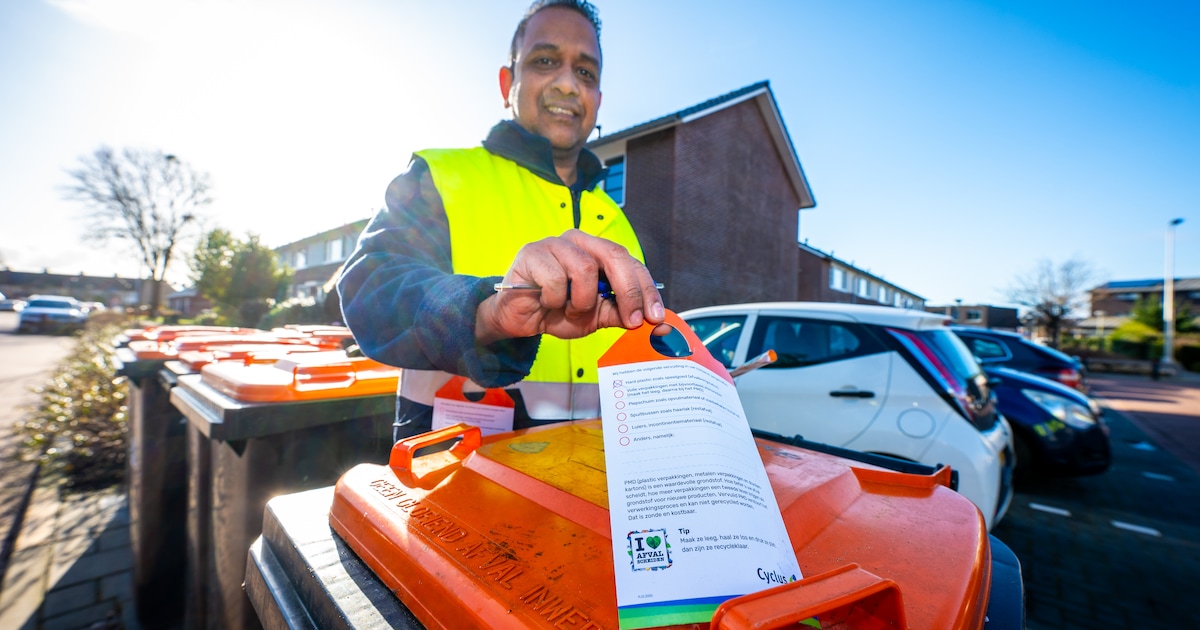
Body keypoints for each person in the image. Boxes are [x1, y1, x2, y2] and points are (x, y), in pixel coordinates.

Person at [338, 0, 665, 439]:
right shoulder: (442, 177)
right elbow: (370, 288)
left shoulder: (618, 224)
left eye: (585, 72)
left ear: (599, 99)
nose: (568, 85)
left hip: (594, 488)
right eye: (545, 61)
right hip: (452, 485)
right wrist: (489, 313)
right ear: (507, 82)